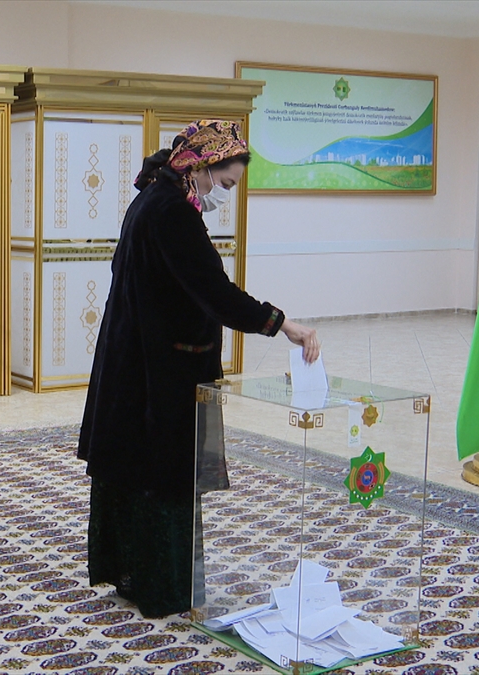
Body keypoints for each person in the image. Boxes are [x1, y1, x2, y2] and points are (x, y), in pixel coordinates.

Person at [77, 120, 320, 618]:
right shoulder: (171, 211)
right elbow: (216, 293)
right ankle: (163, 588)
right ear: (203, 166)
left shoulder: (154, 196)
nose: (223, 193)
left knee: (138, 469)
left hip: (137, 358)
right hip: (160, 368)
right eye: (224, 182)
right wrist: (282, 324)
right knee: (165, 474)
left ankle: (135, 575)